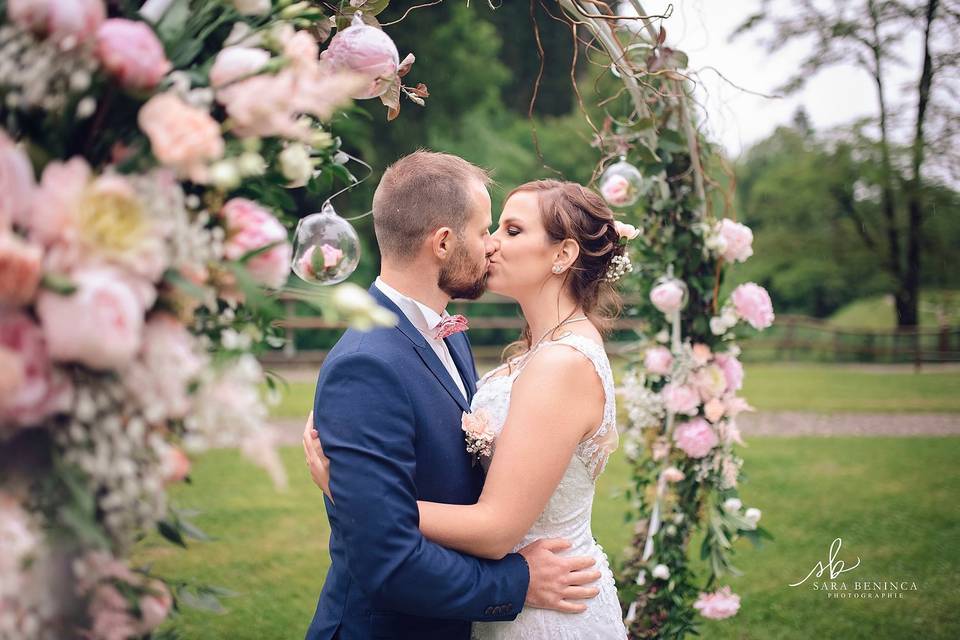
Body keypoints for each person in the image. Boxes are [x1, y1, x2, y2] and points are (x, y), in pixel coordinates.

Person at [305, 176, 631, 639]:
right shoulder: (394, 354)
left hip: (547, 604)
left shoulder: (559, 361)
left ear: (563, 254)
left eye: (511, 231)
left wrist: (356, 496)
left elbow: (496, 524)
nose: (493, 245)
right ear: (442, 242)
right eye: (489, 229)